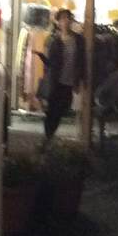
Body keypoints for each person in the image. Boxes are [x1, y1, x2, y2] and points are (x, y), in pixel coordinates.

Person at [42, 8, 86, 141]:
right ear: (58, 22)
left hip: (70, 80)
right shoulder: (55, 41)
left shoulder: (78, 40)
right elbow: (50, 62)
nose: (66, 21)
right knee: (52, 110)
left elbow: (82, 60)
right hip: (56, 80)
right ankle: (48, 136)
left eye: (68, 18)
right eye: (63, 19)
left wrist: (81, 79)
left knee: (63, 108)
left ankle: (49, 136)